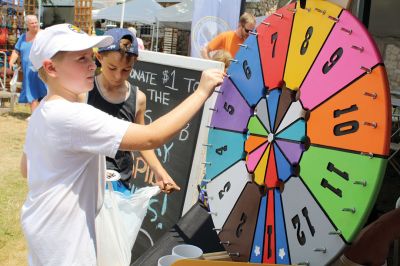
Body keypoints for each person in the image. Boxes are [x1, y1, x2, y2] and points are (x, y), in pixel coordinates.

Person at [20, 23, 224, 265]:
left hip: (46, 230)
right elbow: (151, 136)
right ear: (51, 68)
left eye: (91, 56)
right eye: (81, 59)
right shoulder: (71, 116)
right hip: (67, 244)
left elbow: (26, 168)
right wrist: (201, 92)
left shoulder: (46, 109)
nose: (92, 64)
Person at [87, 28, 176, 192]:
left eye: (126, 70)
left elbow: (143, 140)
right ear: (99, 57)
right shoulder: (84, 91)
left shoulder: (138, 99)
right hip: (86, 178)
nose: (118, 76)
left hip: (120, 180)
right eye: (112, 68)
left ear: (134, 62)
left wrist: (159, 171)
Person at [9, 15, 47, 114]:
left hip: (42, 69)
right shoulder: (23, 37)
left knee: (46, 91)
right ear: (27, 25)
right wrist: (11, 62)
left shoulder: (44, 35)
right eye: (32, 23)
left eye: (36, 22)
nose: (35, 25)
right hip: (28, 71)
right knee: (31, 92)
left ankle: (44, 114)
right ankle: (34, 115)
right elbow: (16, 51)